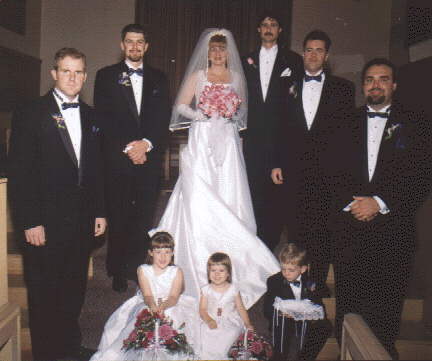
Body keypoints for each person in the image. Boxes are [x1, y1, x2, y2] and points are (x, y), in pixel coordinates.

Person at [150, 28, 279, 309]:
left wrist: (228, 113)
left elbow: (243, 113)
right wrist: (202, 113)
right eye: (214, 49)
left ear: (228, 52)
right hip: (202, 137)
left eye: (222, 49)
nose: (218, 54)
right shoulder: (198, 76)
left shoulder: (235, 78)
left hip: (228, 141)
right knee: (200, 193)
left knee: (228, 191)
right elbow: (181, 106)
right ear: (207, 53)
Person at [8, 48, 106, 361]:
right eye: (66, 71)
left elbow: (96, 169)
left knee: (73, 294)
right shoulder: (31, 113)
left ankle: (68, 350)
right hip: (43, 225)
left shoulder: (92, 116)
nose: (73, 77)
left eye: (78, 72)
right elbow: (20, 174)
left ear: (86, 76)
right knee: (44, 297)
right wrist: (29, 221)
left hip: (80, 224)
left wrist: (100, 210)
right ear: (54, 74)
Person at [329, 58, 432, 358]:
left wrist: (380, 202)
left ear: (394, 85)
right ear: (363, 86)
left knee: (386, 313)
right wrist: (355, 204)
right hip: (350, 231)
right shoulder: (344, 122)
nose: (376, 84)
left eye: (383, 79)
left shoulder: (417, 124)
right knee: (348, 310)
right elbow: (331, 172)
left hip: (393, 234)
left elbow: (421, 175)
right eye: (370, 79)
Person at [271, 30, 355, 294]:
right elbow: (278, 128)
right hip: (294, 170)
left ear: (327, 55)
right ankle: (297, 284)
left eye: (319, 50)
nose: (313, 55)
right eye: (309, 49)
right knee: (295, 228)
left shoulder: (343, 88)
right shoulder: (286, 85)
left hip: (328, 173)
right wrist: (276, 163)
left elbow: (346, 134)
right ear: (303, 53)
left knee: (323, 231)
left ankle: (316, 284)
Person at [94, 23, 170, 292]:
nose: (135, 47)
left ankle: (136, 267)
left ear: (146, 47)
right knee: (119, 215)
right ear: (122, 45)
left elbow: (163, 119)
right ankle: (116, 269)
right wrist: (129, 148)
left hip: (148, 160)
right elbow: (102, 120)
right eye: (130, 41)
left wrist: (146, 145)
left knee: (143, 217)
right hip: (118, 159)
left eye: (140, 42)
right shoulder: (105, 76)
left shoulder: (160, 78)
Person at [242, 12, 303, 250]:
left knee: (276, 197)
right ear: (258, 30)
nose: (268, 28)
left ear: (280, 31)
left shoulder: (294, 61)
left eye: (273, 24)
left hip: (281, 139)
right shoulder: (245, 59)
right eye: (264, 24)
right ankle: (254, 245)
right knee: (253, 192)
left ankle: (270, 246)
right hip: (253, 139)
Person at [90, 232, 195, 361]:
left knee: (172, 314)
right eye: (158, 252)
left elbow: (173, 297)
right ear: (151, 253)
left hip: (170, 303)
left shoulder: (176, 271)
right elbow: (148, 295)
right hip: (148, 302)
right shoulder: (143, 270)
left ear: (172, 253)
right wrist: (153, 307)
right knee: (144, 315)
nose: (163, 257)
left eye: (167, 252)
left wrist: (163, 307)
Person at [263, 243, 331, 361]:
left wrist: (309, 315)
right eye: (283, 268)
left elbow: (320, 308)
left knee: (325, 326)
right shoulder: (274, 281)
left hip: (305, 320)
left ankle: (304, 357)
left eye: (291, 270)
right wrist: (281, 313)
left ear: (303, 269)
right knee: (282, 323)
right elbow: (267, 310)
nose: (286, 273)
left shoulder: (311, 283)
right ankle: (280, 356)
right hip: (284, 321)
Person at [198, 253, 254, 360]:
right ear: (208, 273)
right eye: (213, 270)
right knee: (203, 333)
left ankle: (222, 355)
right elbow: (202, 309)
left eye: (221, 271)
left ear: (228, 273)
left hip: (229, 320)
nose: (217, 274)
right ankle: (206, 356)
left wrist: (247, 323)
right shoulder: (206, 290)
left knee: (229, 334)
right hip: (211, 318)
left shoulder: (233, 290)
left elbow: (241, 308)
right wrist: (209, 320)